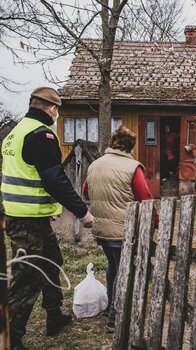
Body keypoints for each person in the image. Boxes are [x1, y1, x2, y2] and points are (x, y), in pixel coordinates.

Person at [1, 87, 94, 350]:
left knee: (53, 262)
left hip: (29, 216)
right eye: (56, 109)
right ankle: (11, 337)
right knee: (27, 277)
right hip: (26, 220)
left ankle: (54, 316)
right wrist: (82, 212)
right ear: (51, 109)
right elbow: (55, 180)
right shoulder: (41, 134)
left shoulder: (15, 132)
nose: (56, 114)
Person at [82, 125, 158, 333]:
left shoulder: (95, 165)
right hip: (121, 229)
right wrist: (157, 220)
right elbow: (145, 198)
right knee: (122, 270)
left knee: (113, 266)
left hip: (100, 226)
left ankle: (110, 308)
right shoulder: (133, 167)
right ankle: (115, 318)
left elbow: (85, 191)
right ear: (131, 146)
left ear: (111, 144)